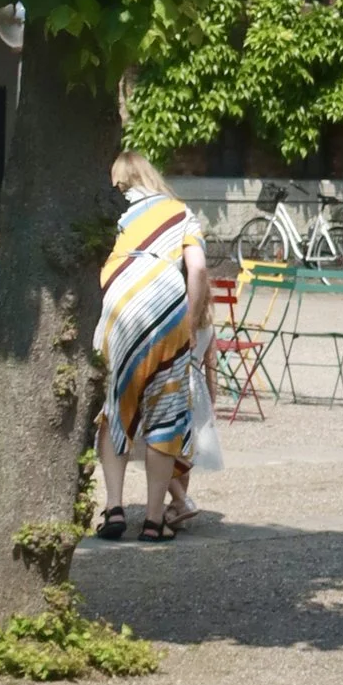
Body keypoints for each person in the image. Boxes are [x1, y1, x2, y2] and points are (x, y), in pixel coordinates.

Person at [93, 154, 208, 541]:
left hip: (118, 302)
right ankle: (156, 520)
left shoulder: (107, 212)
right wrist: (191, 322)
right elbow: (198, 269)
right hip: (167, 306)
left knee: (114, 406)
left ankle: (113, 508)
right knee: (166, 413)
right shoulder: (179, 212)